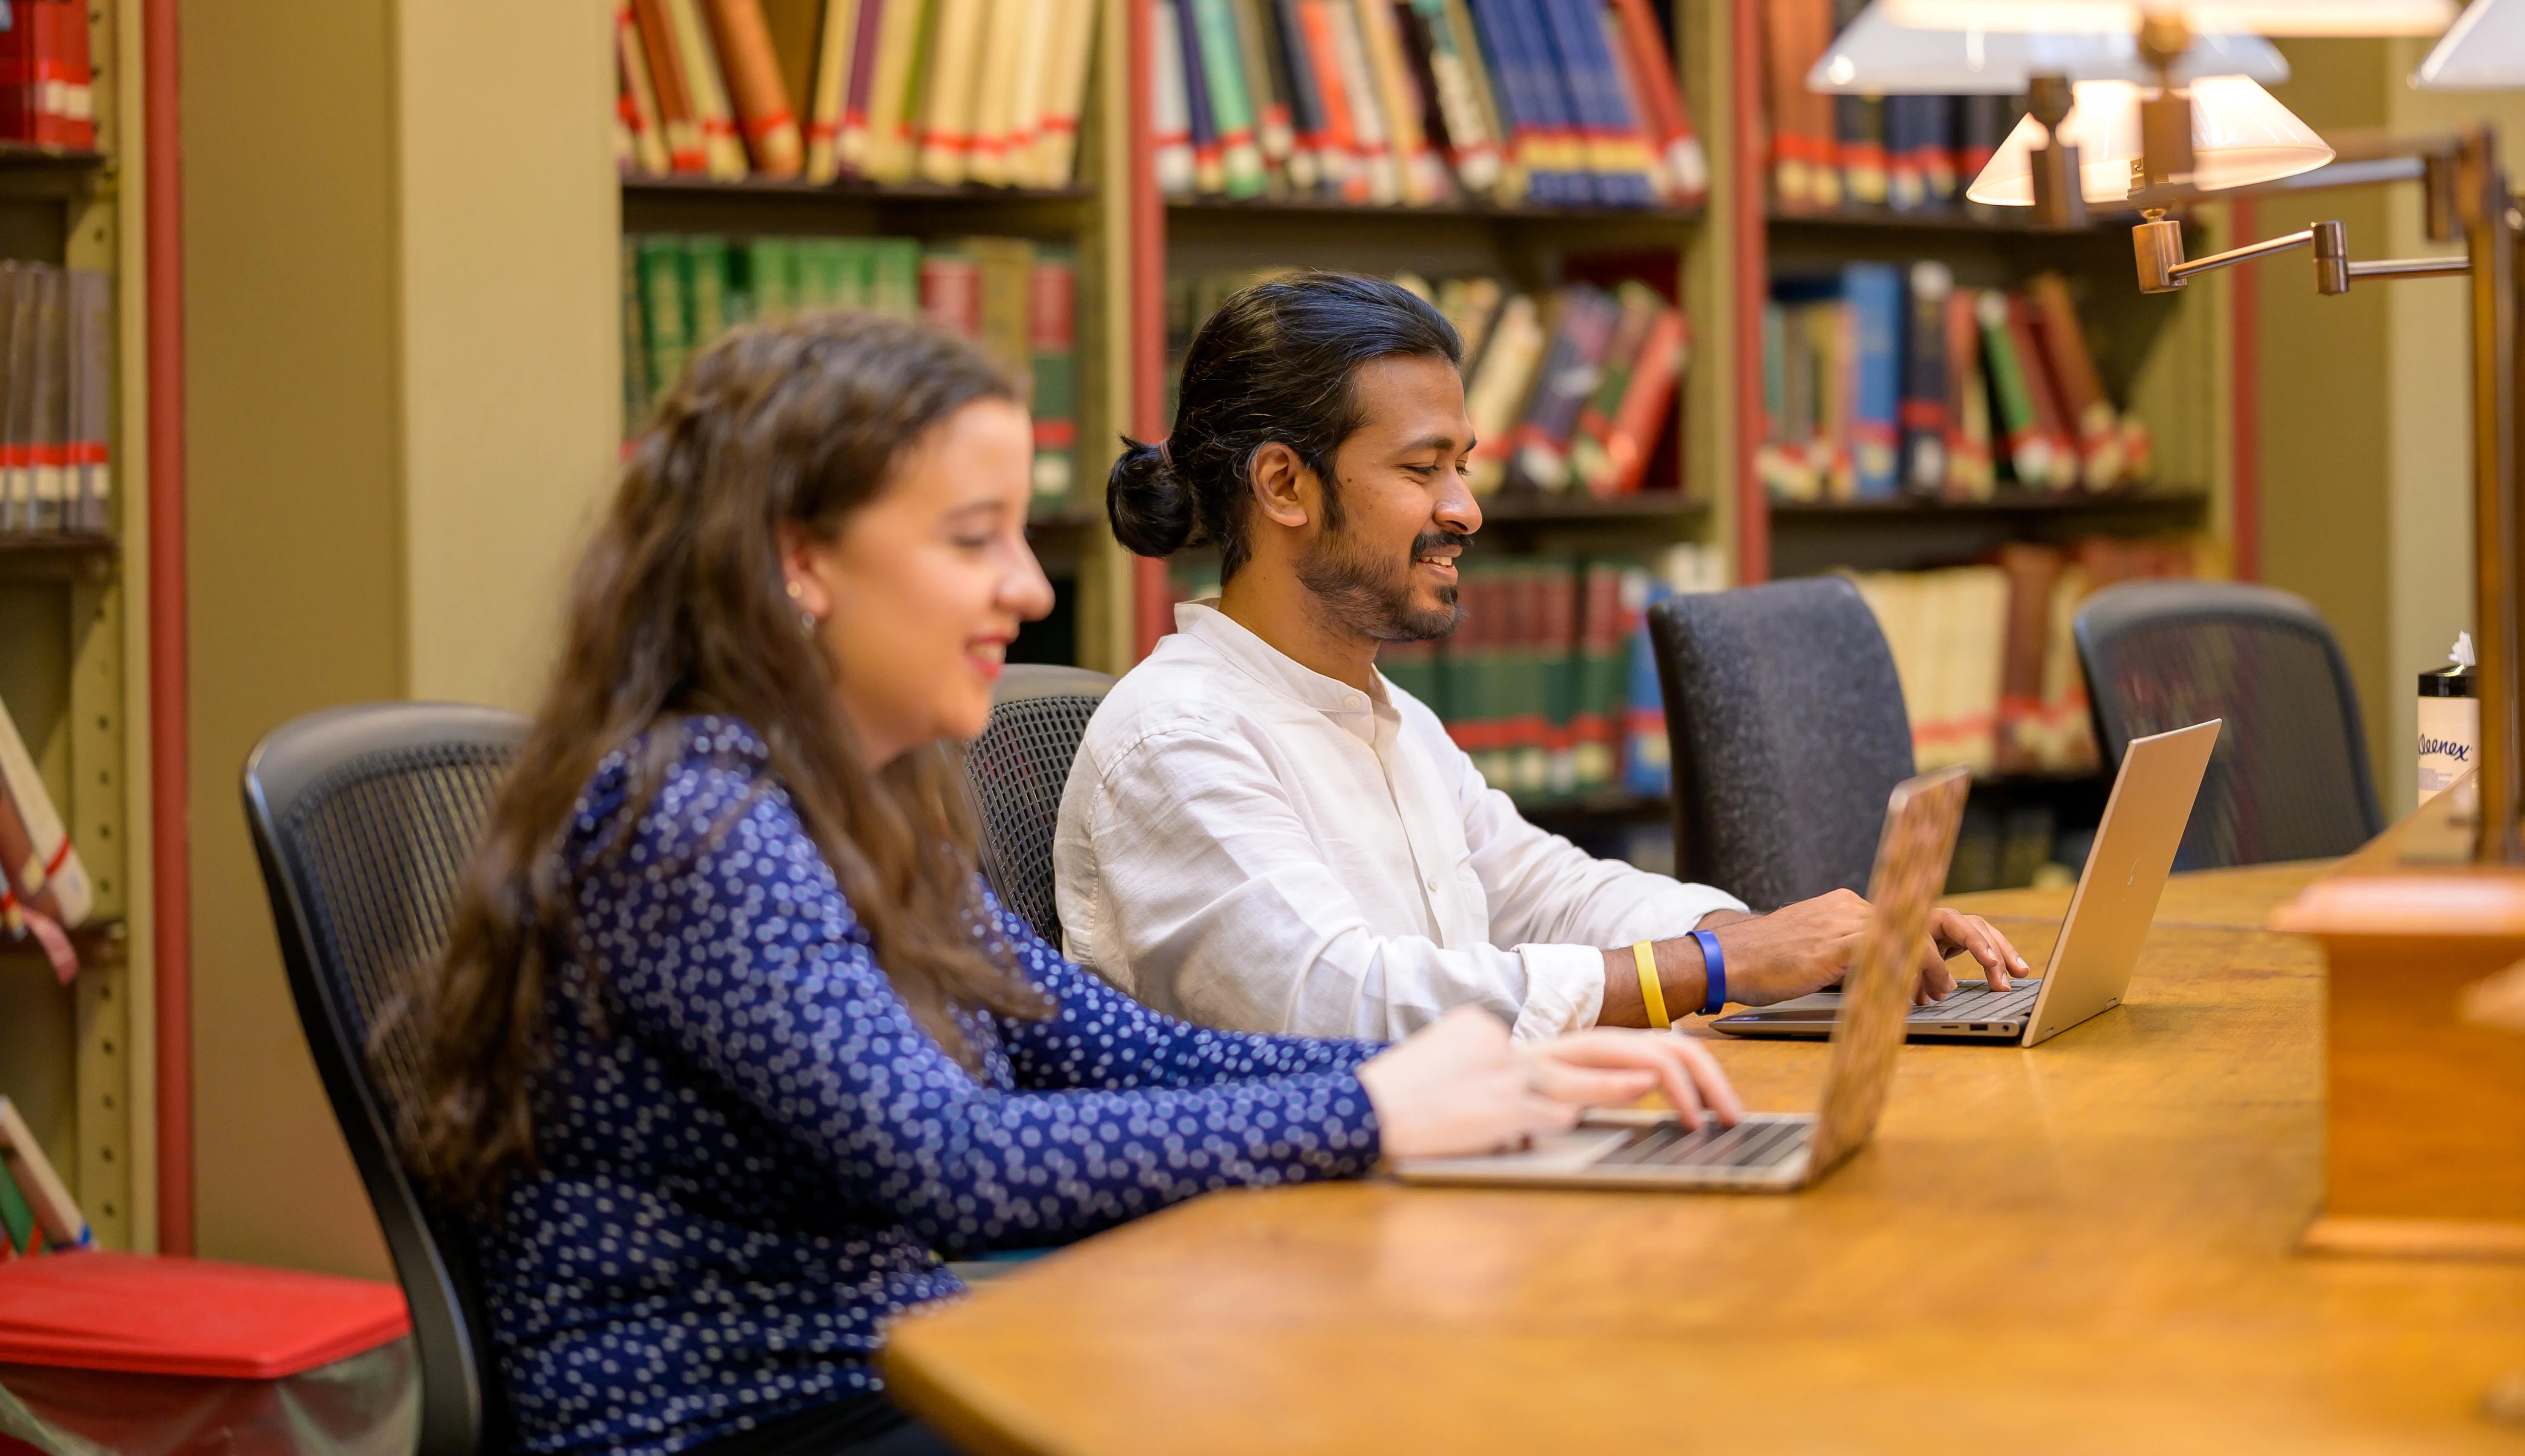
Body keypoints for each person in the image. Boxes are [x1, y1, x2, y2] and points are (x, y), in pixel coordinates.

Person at [386, 313, 1737, 1456]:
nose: (1030, 589)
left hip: (881, 1377)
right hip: (734, 1422)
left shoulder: (858, 796)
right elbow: (954, 1163)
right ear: (801, 560)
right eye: (972, 541)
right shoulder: (698, 821)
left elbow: (1105, 1050)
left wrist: (1497, 1078)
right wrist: (1382, 1106)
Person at [1057, 271, 2028, 1043]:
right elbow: (1337, 1001)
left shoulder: (1384, 715)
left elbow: (1550, 894)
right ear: (1283, 484)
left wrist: (1800, 937)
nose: (1466, 509)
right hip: (1285, 1251)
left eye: (1464, 464)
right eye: (1421, 467)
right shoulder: (1178, 735)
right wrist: (1720, 966)